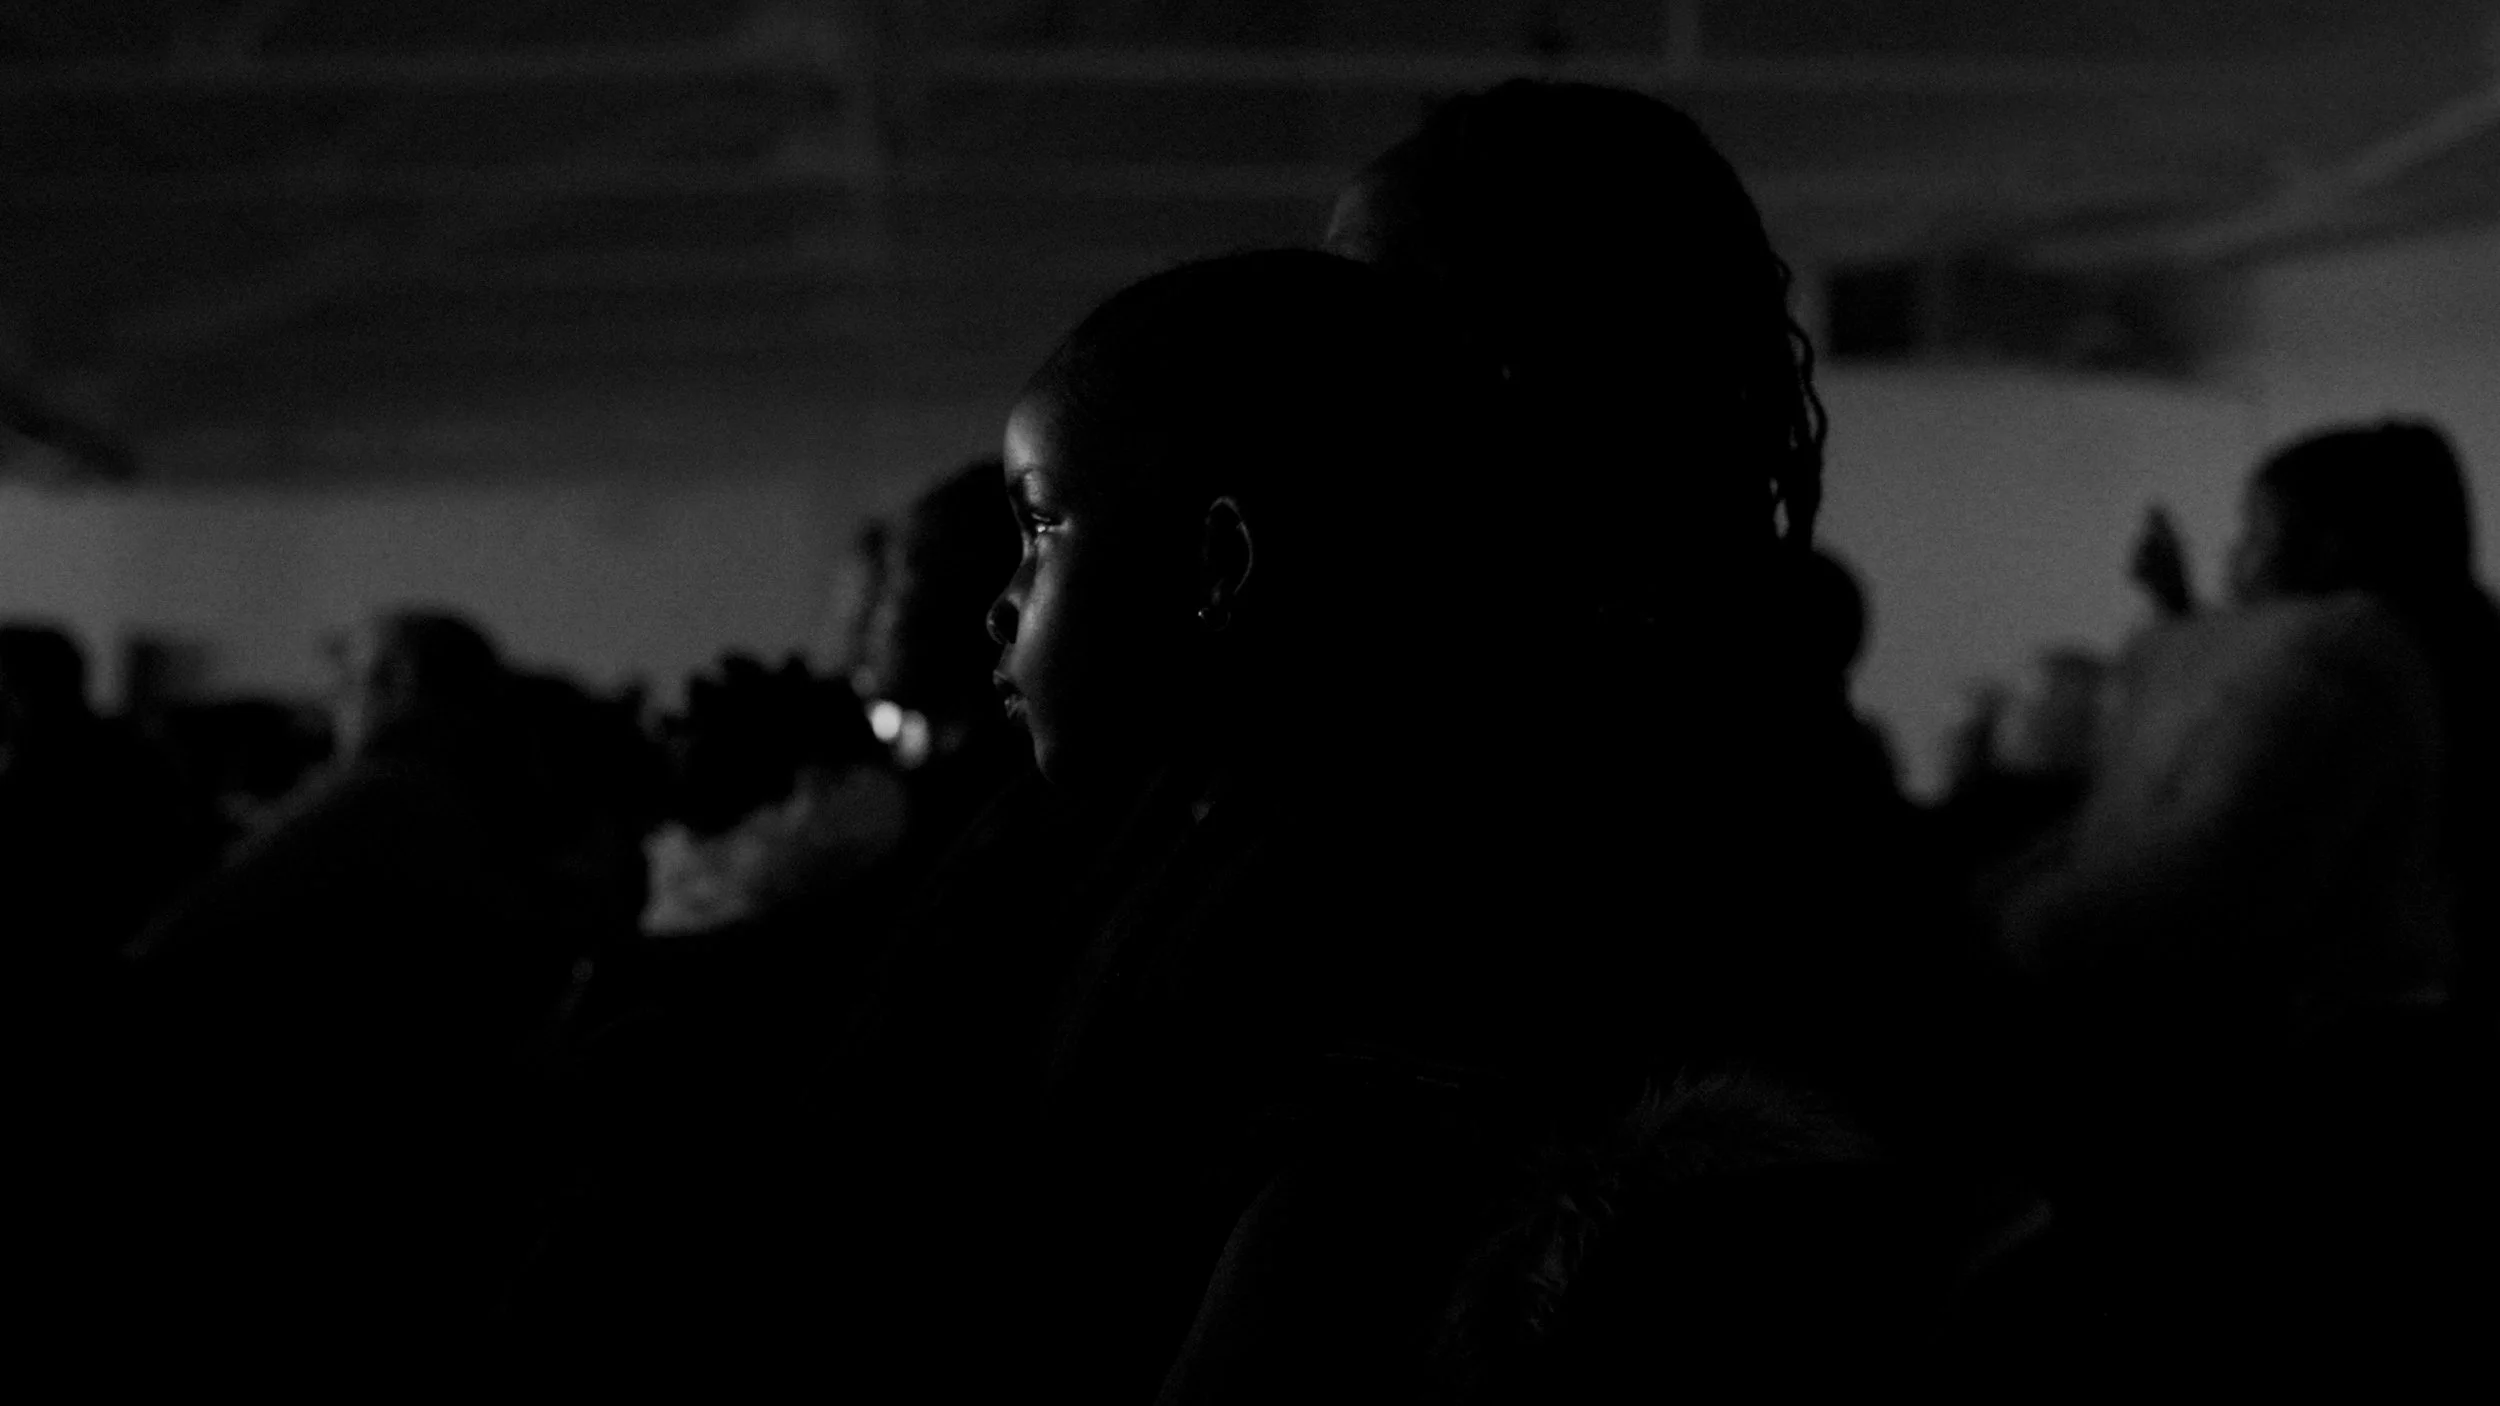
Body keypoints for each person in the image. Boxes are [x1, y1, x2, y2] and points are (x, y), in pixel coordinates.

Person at [1990, 422, 2491, 1375]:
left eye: (2254, 533)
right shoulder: (2419, 660)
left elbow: (2229, 867)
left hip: (2328, 1080)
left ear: (2334, 546)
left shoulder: (2349, 673)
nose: (2237, 559)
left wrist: (2025, 926)